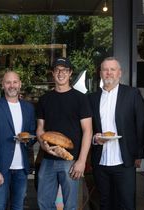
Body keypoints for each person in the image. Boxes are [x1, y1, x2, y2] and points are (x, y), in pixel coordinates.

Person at [88, 57, 144, 210]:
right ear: (100, 73)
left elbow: (141, 124)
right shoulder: (92, 99)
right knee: (104, 203)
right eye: (105, 70)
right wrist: (95, 139)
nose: (109, 73)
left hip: (125, 161)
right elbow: (88, 129)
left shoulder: (132, 94)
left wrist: (139, 155)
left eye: (112, 69)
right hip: (100, 162)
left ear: (119, 73)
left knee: (126, 204)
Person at [36, 57, 93, 209]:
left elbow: (88, 131)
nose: (61, 73)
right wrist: (43, 145)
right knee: (44, 203)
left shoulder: (81, 99)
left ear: (70, 73)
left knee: (71, 206)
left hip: (71, 160)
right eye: (57, 70)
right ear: (53, 73)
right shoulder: (44, 99)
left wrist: (81, 161)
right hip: (48, 159)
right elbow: (40, 128)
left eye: (65, 70)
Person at [0, 71, 36, 210]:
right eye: (8, 82)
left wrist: (27, 140)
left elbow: (32, 133)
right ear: (2, 85)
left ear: (20, 84)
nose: (11, 85)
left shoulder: (28, 108)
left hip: (21, 167)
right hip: (1, 168)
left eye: (15, 82)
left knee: (18, 206)